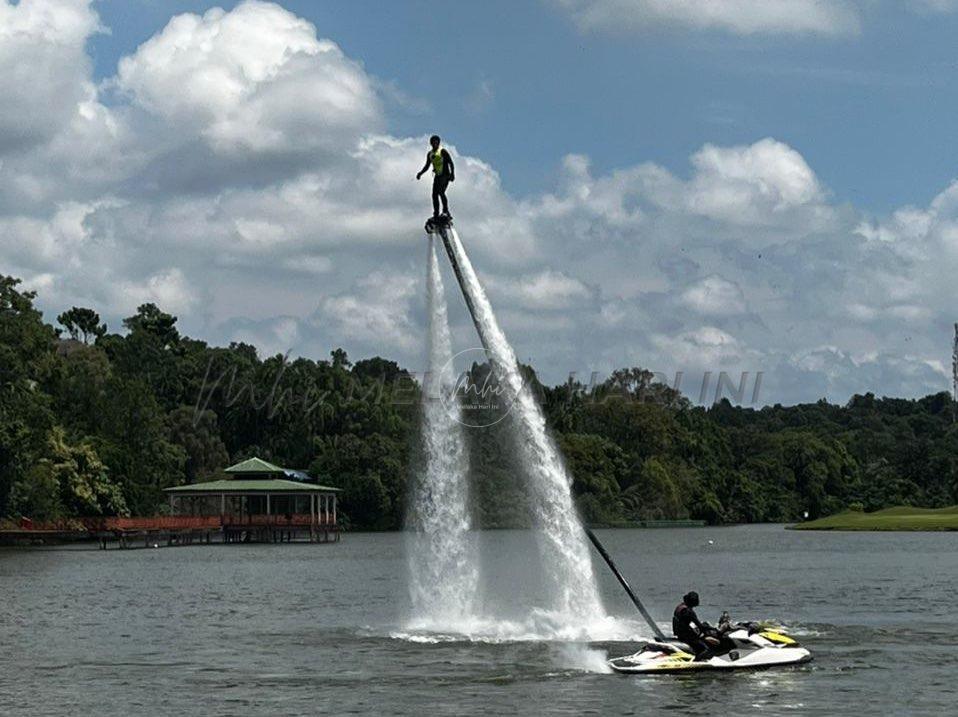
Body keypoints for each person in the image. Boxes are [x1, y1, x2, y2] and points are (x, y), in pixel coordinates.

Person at [416, 134, 455, 218]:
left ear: (438, 143)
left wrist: (452, 174)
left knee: (441, 192)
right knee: (434, 195)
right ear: (431, 143)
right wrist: (420, 173)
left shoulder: (442, 151)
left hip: (445, 175)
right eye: (433, 143)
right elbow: (427, 166)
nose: (435, 144)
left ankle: (445, 211)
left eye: (436, 143)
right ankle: (436, 214)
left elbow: (450, 162)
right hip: (437, 176)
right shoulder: (430, 154)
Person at [672, 591, 714, 660]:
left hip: (680, 634)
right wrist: (713, 629)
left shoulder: (680, 607)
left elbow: (685, 622)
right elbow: (700, 626)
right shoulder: (689, 611)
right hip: (687, 637)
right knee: (707, 650)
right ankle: (696, 661)